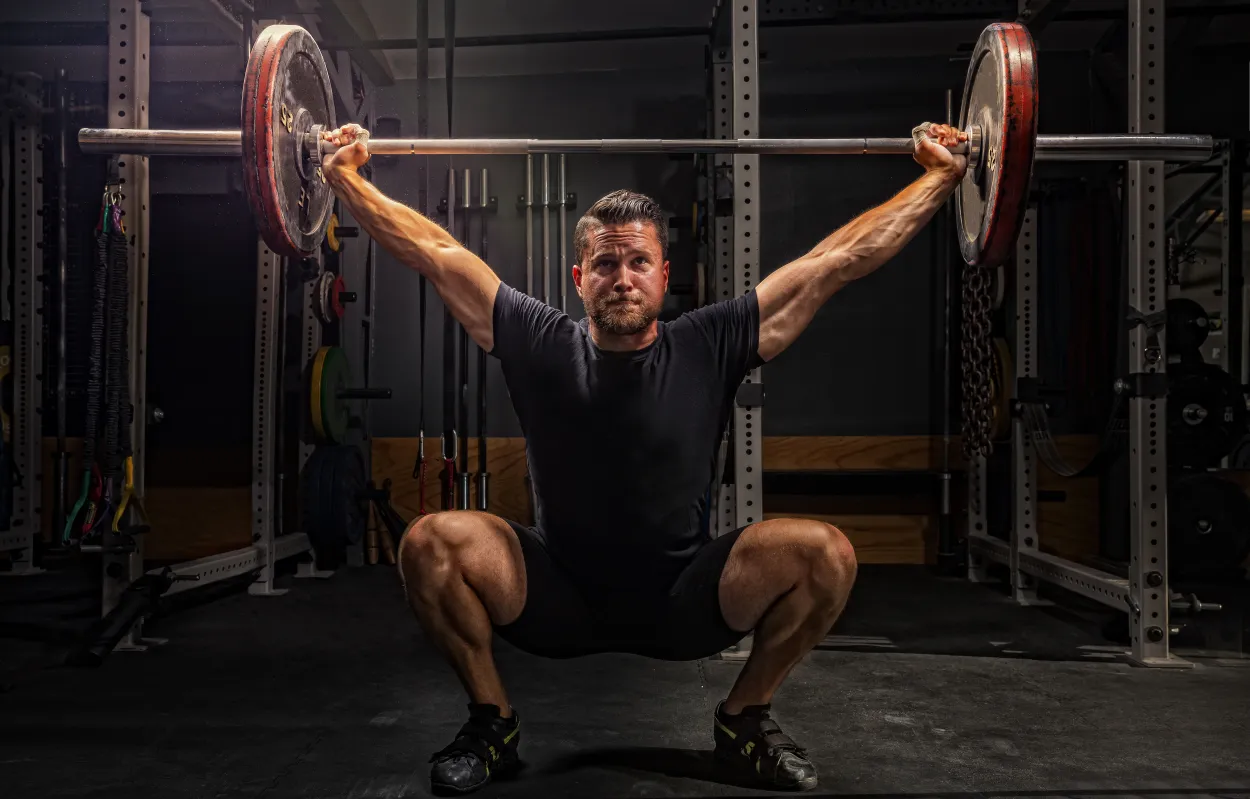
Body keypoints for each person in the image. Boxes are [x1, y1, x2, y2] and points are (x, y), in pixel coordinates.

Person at [320, 122, 968, 795]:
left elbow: (837, 260)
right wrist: (346, 179)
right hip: (557, 596)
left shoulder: (709, 341)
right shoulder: (540, 341)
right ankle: (492, 723)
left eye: (638, 262)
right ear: (580, 278)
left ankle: (744, 720)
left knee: (827, 555)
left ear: (664, 275)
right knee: (430, 542)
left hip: (684, 599)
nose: (622, 279)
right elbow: (435, 251)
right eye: (605, 264)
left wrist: (939, 178)